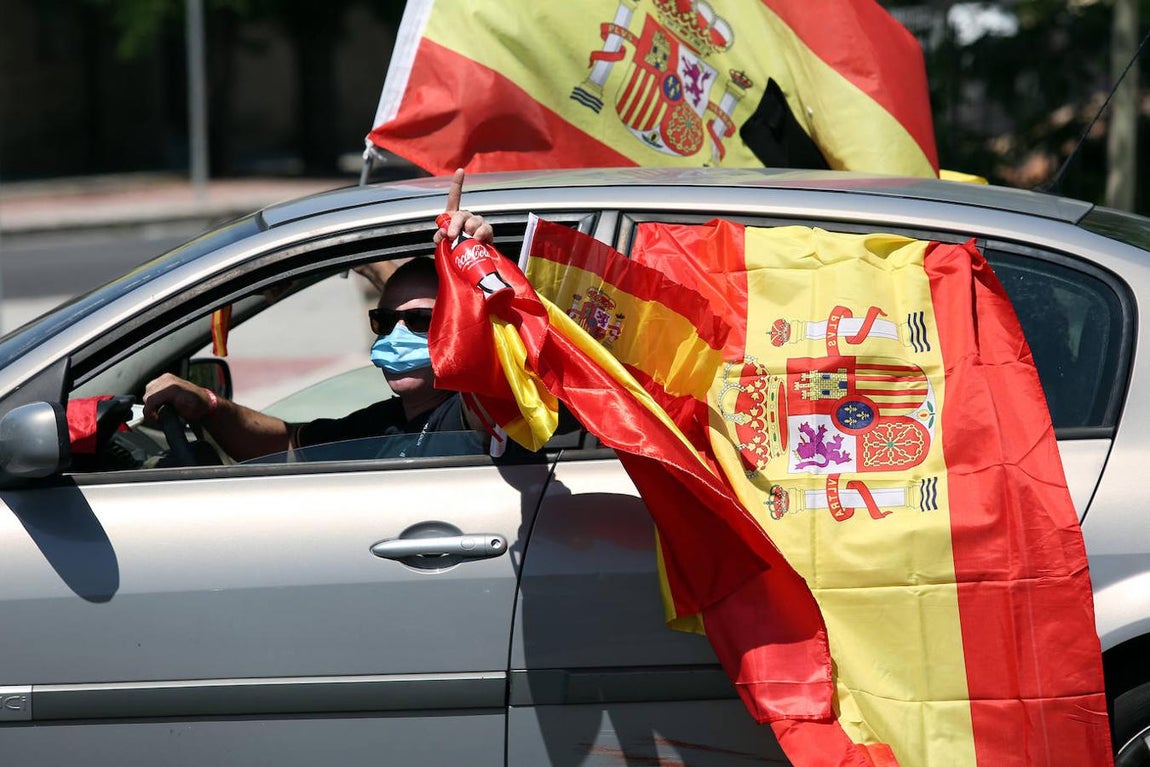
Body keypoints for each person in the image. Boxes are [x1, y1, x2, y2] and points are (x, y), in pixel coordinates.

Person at [142, 169, 494, 463]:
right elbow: (283, 447)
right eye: (384, 322)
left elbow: (498, 385)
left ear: (461, 327)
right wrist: (208, 406)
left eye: (420, 321)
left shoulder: (468, 416)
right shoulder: (384, 424)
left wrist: (481, 268)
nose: (396, 335)